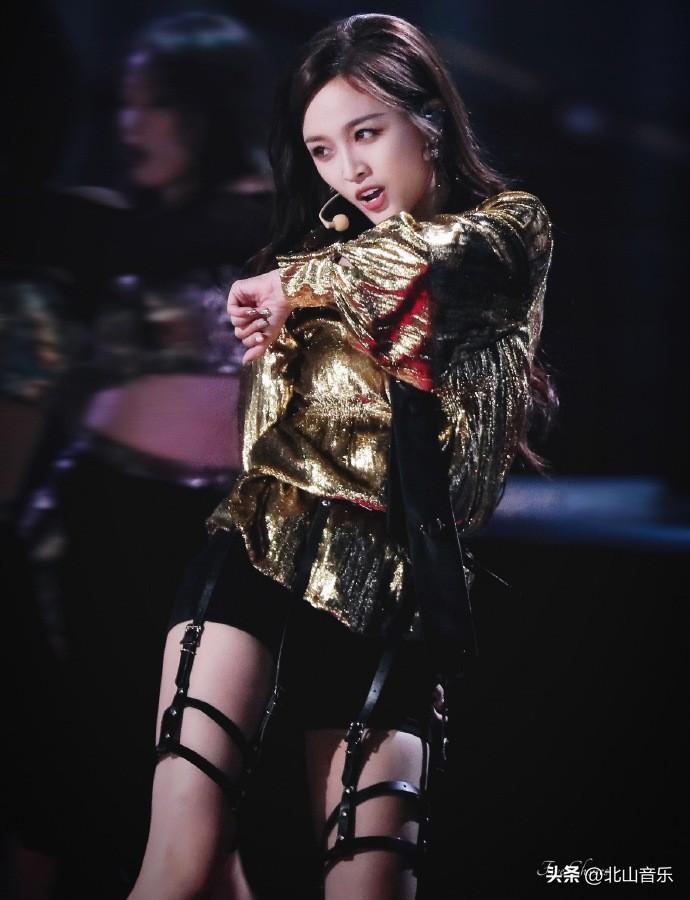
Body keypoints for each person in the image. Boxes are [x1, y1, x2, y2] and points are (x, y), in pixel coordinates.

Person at [128, 13, 553, 900]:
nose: (349, 170)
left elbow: (429, 259)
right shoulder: (304, 266)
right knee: (179, 868)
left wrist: (294, 283)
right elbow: (265, 450)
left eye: (367, 133)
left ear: (428, 118)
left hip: (399, 596)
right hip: (259, 554)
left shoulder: (510, 231)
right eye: (322, 149)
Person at [4, 13, 272, 897]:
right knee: (73, 774)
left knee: (197, 783)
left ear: (210, 107)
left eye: (154, 104)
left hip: (220, 533)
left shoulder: (286, 226)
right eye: (122, 104)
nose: (130, 125)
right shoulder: (101, 233)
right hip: (95, 520)